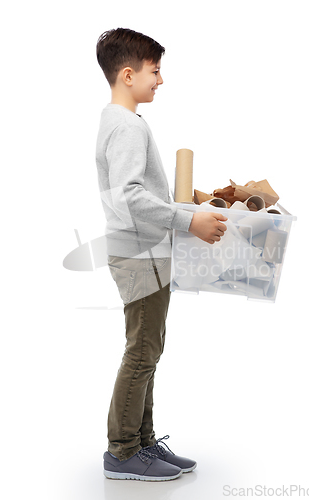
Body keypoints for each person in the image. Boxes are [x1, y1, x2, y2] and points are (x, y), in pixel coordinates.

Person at [95, 27, 228, 481]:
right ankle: (123, 451)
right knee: (142, 351)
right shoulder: (127, 125)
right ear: (128, 74)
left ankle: (143, 442)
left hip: (143, 250)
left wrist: (183, 205)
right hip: (139, 254)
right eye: (155, 71)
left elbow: (136, 192)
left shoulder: (118, 121)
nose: (161, 80)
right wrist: (187, 219)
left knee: (149, 348)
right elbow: (130, 195)